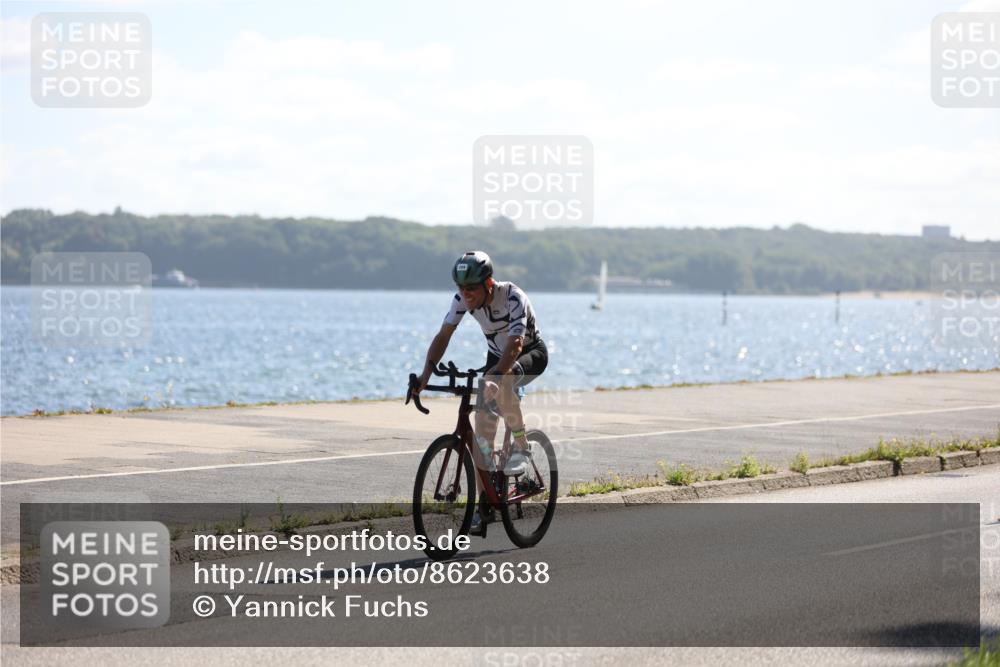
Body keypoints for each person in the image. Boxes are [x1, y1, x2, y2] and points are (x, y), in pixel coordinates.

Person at [415, 250, 548, 534]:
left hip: (528, 353)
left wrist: (496, 377)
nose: (465, 294)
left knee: (503, 379)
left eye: (471, 288)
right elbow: (444, 335)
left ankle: (522, 446)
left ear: (488, 284)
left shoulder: (513, 297)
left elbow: (515, 344)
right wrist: (426, 375)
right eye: (461, 288)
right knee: (482, 437)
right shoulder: (461, 300)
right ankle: (485, 503)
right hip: (496, 355)